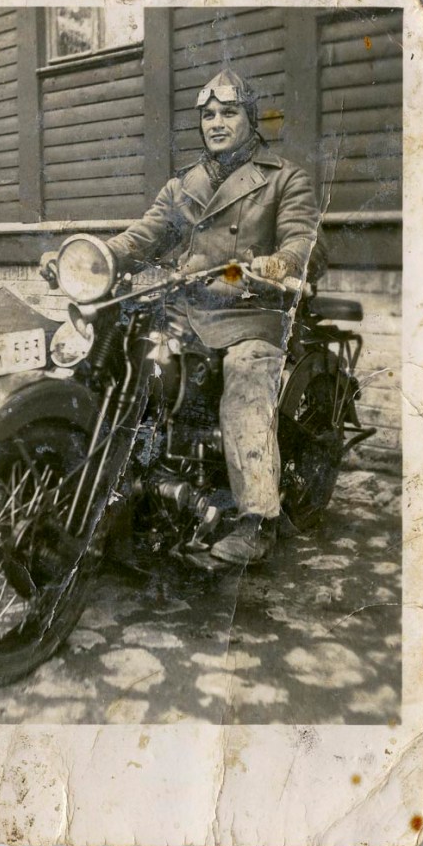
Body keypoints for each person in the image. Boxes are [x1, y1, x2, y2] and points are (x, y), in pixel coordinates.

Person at [106, 67, 325, 564]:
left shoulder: (285, 178)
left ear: (250, 119)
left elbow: (303, 240)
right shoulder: (184, 185)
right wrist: (95, 255)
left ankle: (257, 521)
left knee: (245, 378)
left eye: (229, 113)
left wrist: (280, 263)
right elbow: (141, 237)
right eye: (208, 116)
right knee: (124, 354)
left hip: (253, 310)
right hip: (187, 306)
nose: (217, 124)